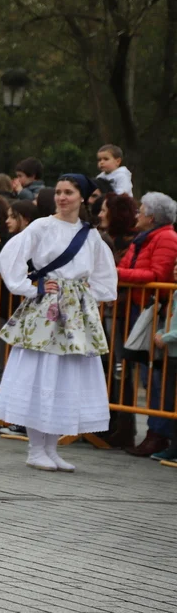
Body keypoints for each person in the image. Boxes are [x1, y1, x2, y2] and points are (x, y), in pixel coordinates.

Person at [0, 174, 118, 472]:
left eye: (68, 192)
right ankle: (36, 449)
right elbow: (11, 256)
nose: (62, 197)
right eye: (59, 192)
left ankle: (51, 448)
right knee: (42, 373)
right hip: (46, 308)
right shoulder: (42, 226)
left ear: (82, 197)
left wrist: (88, 295)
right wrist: (30, 286)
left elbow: (105, 274)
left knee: (65, 376)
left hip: (75, 315)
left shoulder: (90, 235)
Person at [118, 192, 177, 457]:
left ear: (152, 217)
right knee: (147, 374)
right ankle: (156, 433)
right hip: (140, 307)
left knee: (155, 376)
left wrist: (117, 274)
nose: (137, 214)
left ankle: (159, 433)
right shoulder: (144, 237)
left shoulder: (166, 238)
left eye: (140, 210)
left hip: (154, 311)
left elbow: (157, 274)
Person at [97, 192, 137, 264]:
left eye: (103, 210)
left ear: (114, 214)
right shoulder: (101, 236)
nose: (99, 215)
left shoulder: (131, 245)